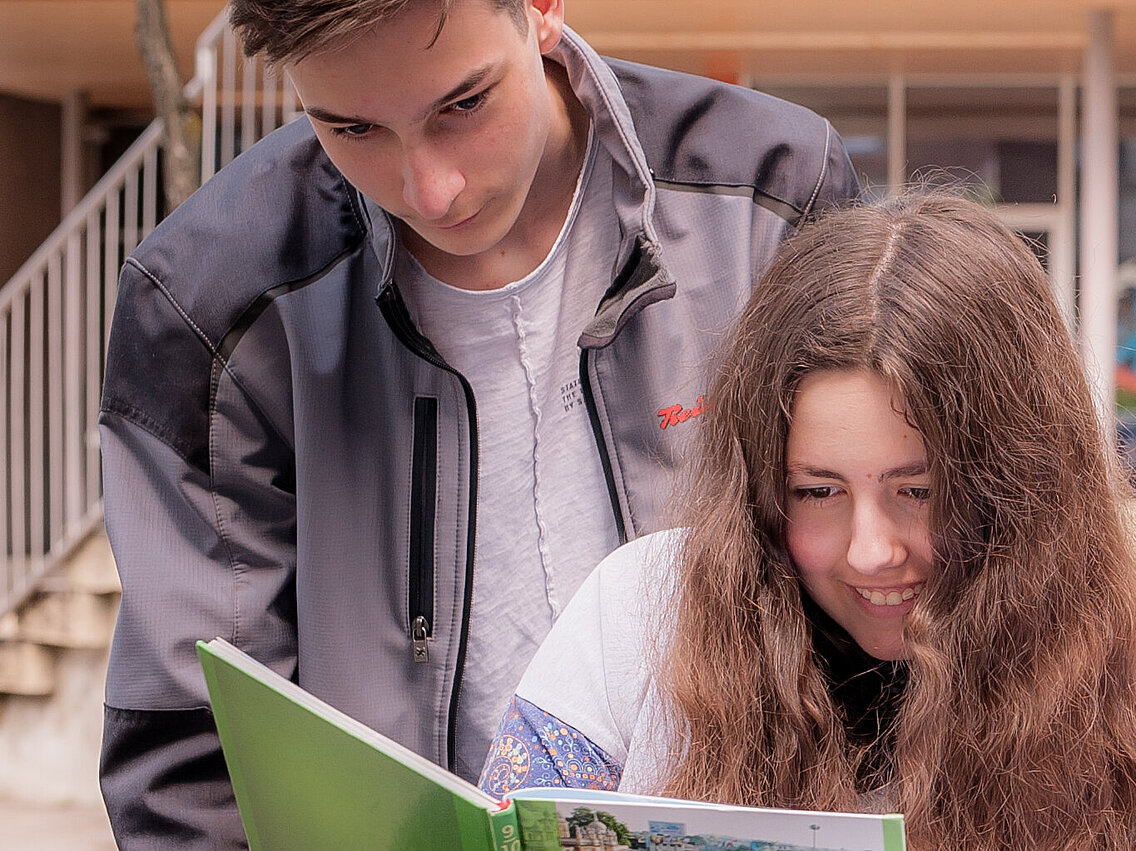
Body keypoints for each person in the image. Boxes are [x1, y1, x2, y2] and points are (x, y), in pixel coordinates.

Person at [95, 0, 858, 846]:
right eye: (351, 130)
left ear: (541, 9)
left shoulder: (772, 196)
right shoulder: (211, 305)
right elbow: (197, 762)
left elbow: (901, 606)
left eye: (462, 105)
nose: (430, 188)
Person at [475, 194, 1136, 850]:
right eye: (818, 493)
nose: (872, 551)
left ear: (1023, 487)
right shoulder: (636, 619)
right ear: (760, 490)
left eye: (919, 491)